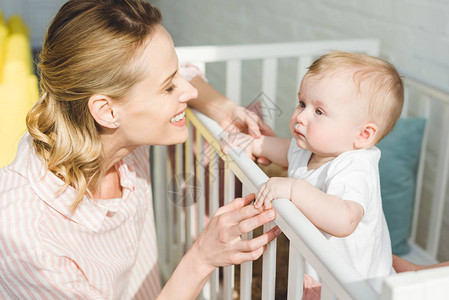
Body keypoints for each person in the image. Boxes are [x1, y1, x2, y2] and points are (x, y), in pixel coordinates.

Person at [0, 1, 280, 299]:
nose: (190, 91)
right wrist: (202, 258)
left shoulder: (111, 135)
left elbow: (177, 68)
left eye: (176, 79)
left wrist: (221, 108)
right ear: (106, 111)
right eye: (169, 87)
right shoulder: (28, 243)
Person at [222, 51, 404, 292]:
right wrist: (250, 144)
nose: (301, 117)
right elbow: (281, 149)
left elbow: (344, 220)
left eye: (319, 111)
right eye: (302, 103)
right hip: (319, 276)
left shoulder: (354, 166)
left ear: (363, 135)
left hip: (357, 287)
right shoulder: (308, 148)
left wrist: (294, 189)